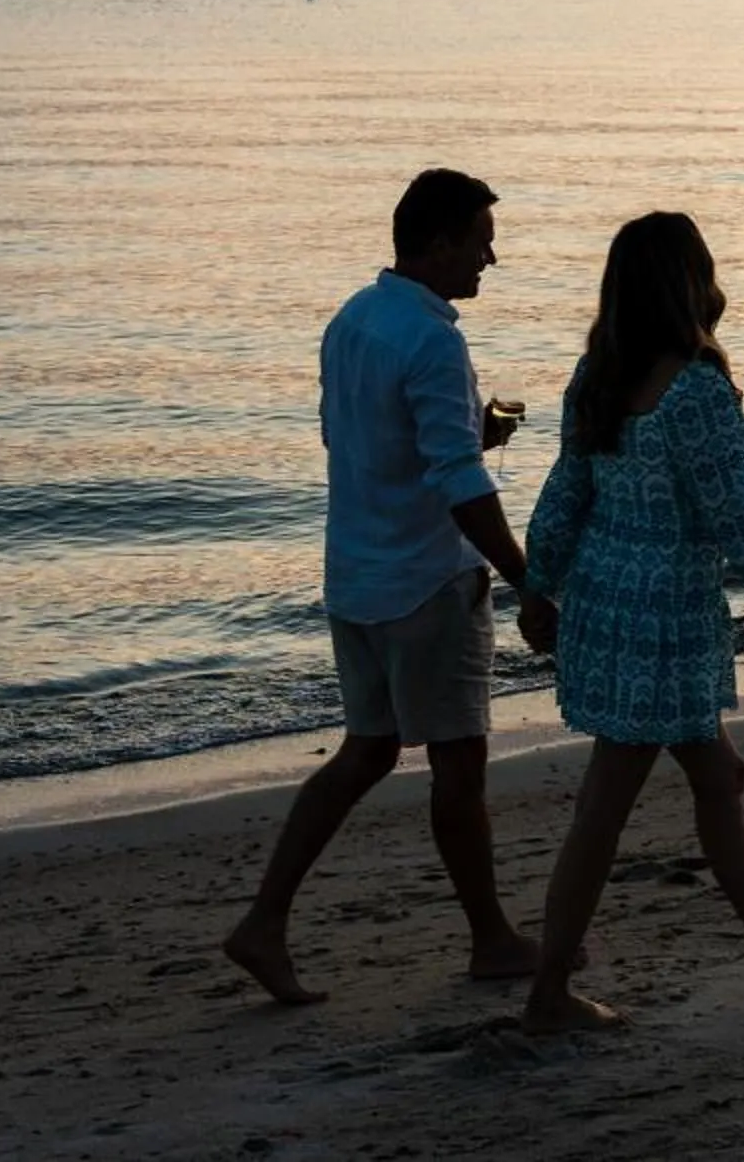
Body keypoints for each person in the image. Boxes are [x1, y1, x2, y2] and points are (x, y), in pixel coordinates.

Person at [517, 209, 744, 1035]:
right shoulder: (695, 392)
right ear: (691, 282)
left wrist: (540, 587)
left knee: (718, 778)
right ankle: (548, 992)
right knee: (604, 809)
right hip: (664, 623)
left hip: (606, 610)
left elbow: (562, 498)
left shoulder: (598, 377)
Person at [223, 167, 558, 1005]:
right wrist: (527, 582)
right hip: (426, 580)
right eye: (480, 243)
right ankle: (490, 939)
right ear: (438, 242)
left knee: (367, 750)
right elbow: (455, 480)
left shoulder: (352, 320)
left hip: (355, 577)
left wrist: (476, 428)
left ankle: (265, 920)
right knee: (458, 764)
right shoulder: (435, 339)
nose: (491, 258)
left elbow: (355, 436)